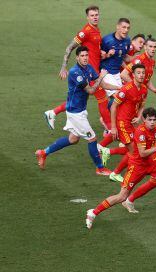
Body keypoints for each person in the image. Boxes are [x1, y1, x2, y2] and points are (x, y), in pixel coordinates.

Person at [86, 107, 156, 229]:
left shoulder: (155, 127)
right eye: (149, 119)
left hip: (150, 163)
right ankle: (93, 212)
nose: (152, 122)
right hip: (137, 166)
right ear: (144, 119)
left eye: (154, 119)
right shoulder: (140, 132)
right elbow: (142, 153)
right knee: (122, 196)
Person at [35, 46, 120, 175]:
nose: (85, 58)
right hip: (75, 113)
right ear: (77, 58)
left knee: (73, 139)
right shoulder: (75, 72)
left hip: (80, 111)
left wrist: (119, 88)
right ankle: (100, 168)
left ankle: (43, 152)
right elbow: (91, 91)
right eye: (82, 56)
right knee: (92, 138)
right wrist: (102, 76)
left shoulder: (89, 68)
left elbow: (101, 85)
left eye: (86, 55)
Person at [44, 6, 108, 130]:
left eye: (97, 14)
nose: (95, 17)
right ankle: (110, 129)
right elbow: (69, 48)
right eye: (92, 15)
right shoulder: (85, 32)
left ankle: (52, 113)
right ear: (87, 17)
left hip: (93, 71)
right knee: (102, 98)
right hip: (90, 72)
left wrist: (102, 53)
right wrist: (63, 67)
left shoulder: (96, 29)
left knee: (79, 99)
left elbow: (93, 49)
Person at [101, 63, 149, 183]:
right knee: (134, 151)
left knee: (137, 150)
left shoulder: (144, 89)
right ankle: (118, 173)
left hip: (132, 123)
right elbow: (113, 106)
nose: (141, 75)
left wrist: (138, 117)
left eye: (143, 73)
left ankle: (110, 154)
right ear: (133, 75)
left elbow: (142, 105)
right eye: (138, 73)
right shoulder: (126, 89)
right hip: (123, 123)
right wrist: (113, 127)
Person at [98, 18, 132, 129]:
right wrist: (107, 54)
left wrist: (138, 58)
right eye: (123, 27)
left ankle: (106, 119)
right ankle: (111, 125)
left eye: (128, 28)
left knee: (121, 98)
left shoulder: (127, 40)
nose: (126, 30)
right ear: (117, 27)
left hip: (117, 74)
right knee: (119, 96)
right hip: (106, 72)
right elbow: (98, 55)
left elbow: (124, 56)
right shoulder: (107, 40)